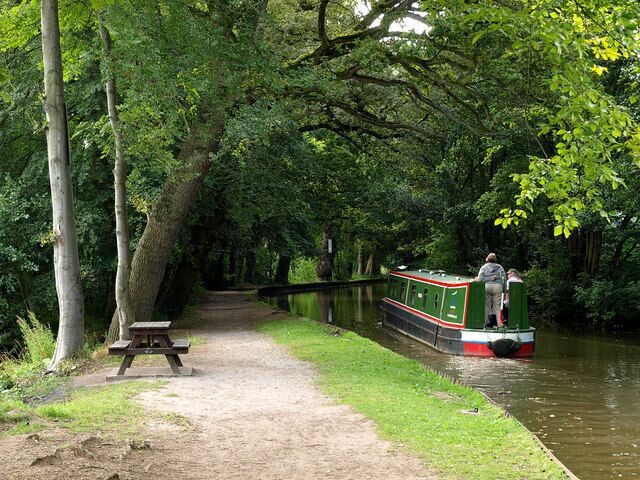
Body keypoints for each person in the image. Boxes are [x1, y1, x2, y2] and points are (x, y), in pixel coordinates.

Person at [476, 253, 506, 327]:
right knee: (497, 306)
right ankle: (499, 324)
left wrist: (489, 278)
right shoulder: (500, 267)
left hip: (487, 286)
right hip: (498, 287)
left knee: (486, 306)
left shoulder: (483, 267)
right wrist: (504, 291)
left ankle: (484, 324)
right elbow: (504, 279)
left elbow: (480, 279)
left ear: (487, 259)